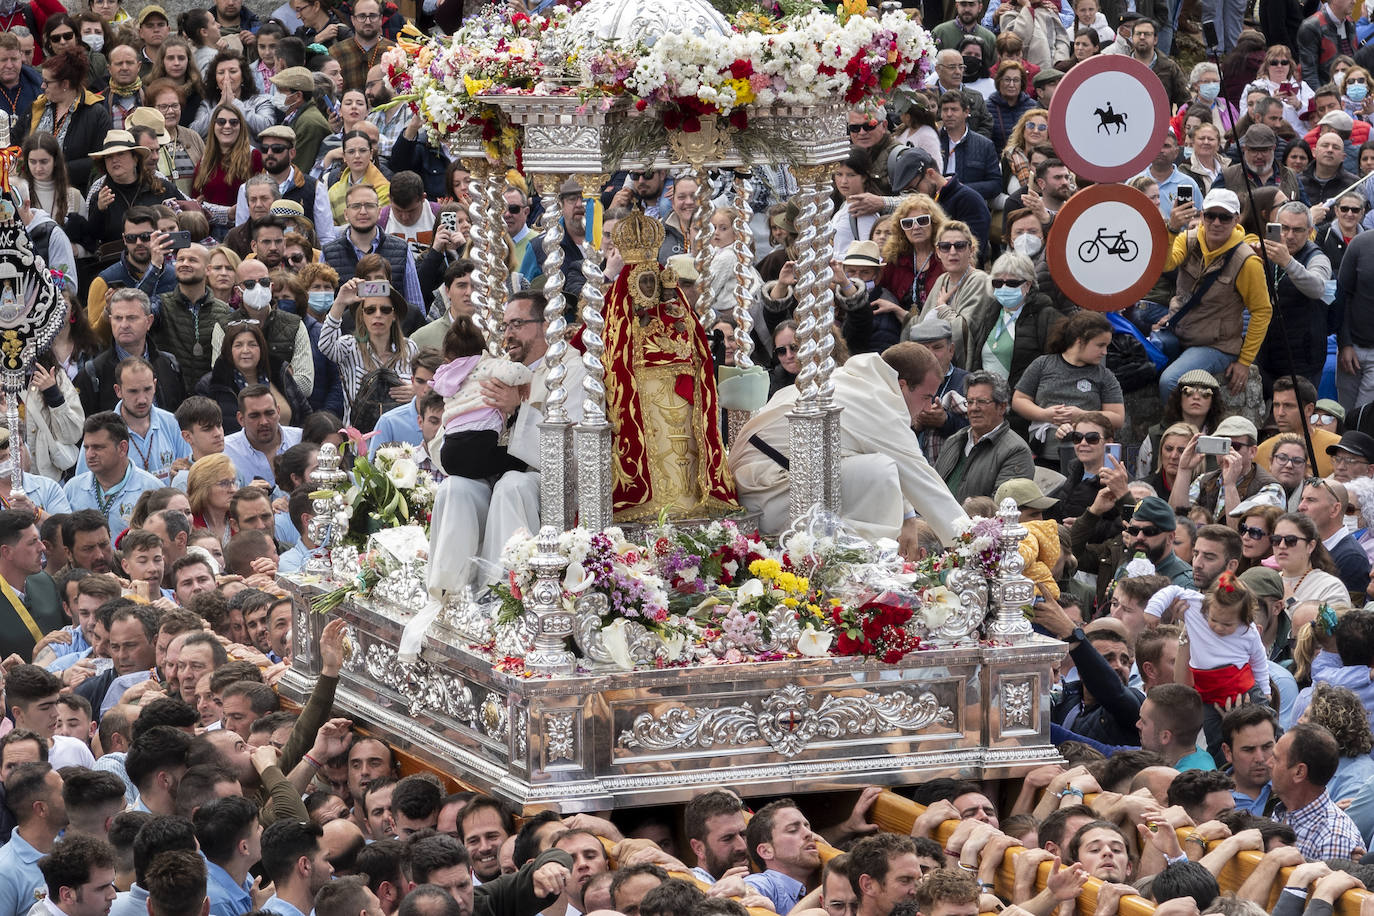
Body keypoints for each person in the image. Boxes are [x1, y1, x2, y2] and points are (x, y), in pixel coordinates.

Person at [1011, 312, 1124, 463]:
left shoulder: (1104, 376)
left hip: (1086, 460)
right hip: (1043, 455)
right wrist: (1045, 414)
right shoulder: (1043, 364)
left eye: (1106, 346)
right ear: (1079, 341)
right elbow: (1019, 400)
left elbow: (1117, 418)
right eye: (1100, 345)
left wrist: (1082, 415)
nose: (1105, 352)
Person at [428, 318, 529, 481]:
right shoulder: (487, 365)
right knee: (518, 460)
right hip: (479, 446)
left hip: (448, 452)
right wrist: (528, 380)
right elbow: (516, 373)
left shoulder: (446, 375)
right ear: (484, 349)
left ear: (447, 357)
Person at [949, 251, 1060, 391]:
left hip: (1024, 403)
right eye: (998, 282)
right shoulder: (991, 312)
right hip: (988, 402)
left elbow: (1053, 368)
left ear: (1028, 284)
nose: (1004, 287)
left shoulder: (1046, 316)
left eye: (1012, 283)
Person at [933, 371, 1035, 502]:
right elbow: (933, 486)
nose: (974, 408)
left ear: (1002, 407)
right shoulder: (955, 440)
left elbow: (1001, 508)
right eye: (969, 402)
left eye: (982, 401)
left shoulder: (1016, 451)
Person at [1272, 722, 1365, 858]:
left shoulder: (1333, 838)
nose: (1268, 763)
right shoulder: (1282, 811)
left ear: (1299, 772)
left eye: (1276, 759)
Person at [64, 413, 164, 534]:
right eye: (86, 447)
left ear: (122, 448)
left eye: (98, 447)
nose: (89, 454)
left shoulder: (152, 488)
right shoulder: (72, 488)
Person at [27, 49, 111, 193]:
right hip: (33, 191)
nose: (42, 87)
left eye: (47, 82)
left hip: (73, 193)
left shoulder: (96, 114)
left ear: (65, 84)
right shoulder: (38, 106)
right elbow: (18, 142)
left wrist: (59, 170)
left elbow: (100, 162)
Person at [0, 763, 67, 916]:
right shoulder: (4, 872)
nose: (70, 798)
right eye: (63, 793)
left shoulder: (67, 849)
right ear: (41, 809)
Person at [1297, 477, 1371, 592]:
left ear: (1335, 509)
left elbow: (1345, 609)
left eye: (1311, 500)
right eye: (1302, 499)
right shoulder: (1304, 545)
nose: (1301, 506)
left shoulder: (1351, 558)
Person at [1272, 512, 1348, 604]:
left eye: (1291, 540)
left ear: (1310, 546)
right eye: (1276, 540)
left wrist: (1291, 602)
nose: (1282, 546)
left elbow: (1332, 618)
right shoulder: (1268, 582)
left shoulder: (1330, 587)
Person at [270, 68, 329, 173]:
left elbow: (300, 168)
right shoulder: (296, 115)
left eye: (281, 91)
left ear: (298, 96)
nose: (276, 95)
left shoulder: (309, 123)